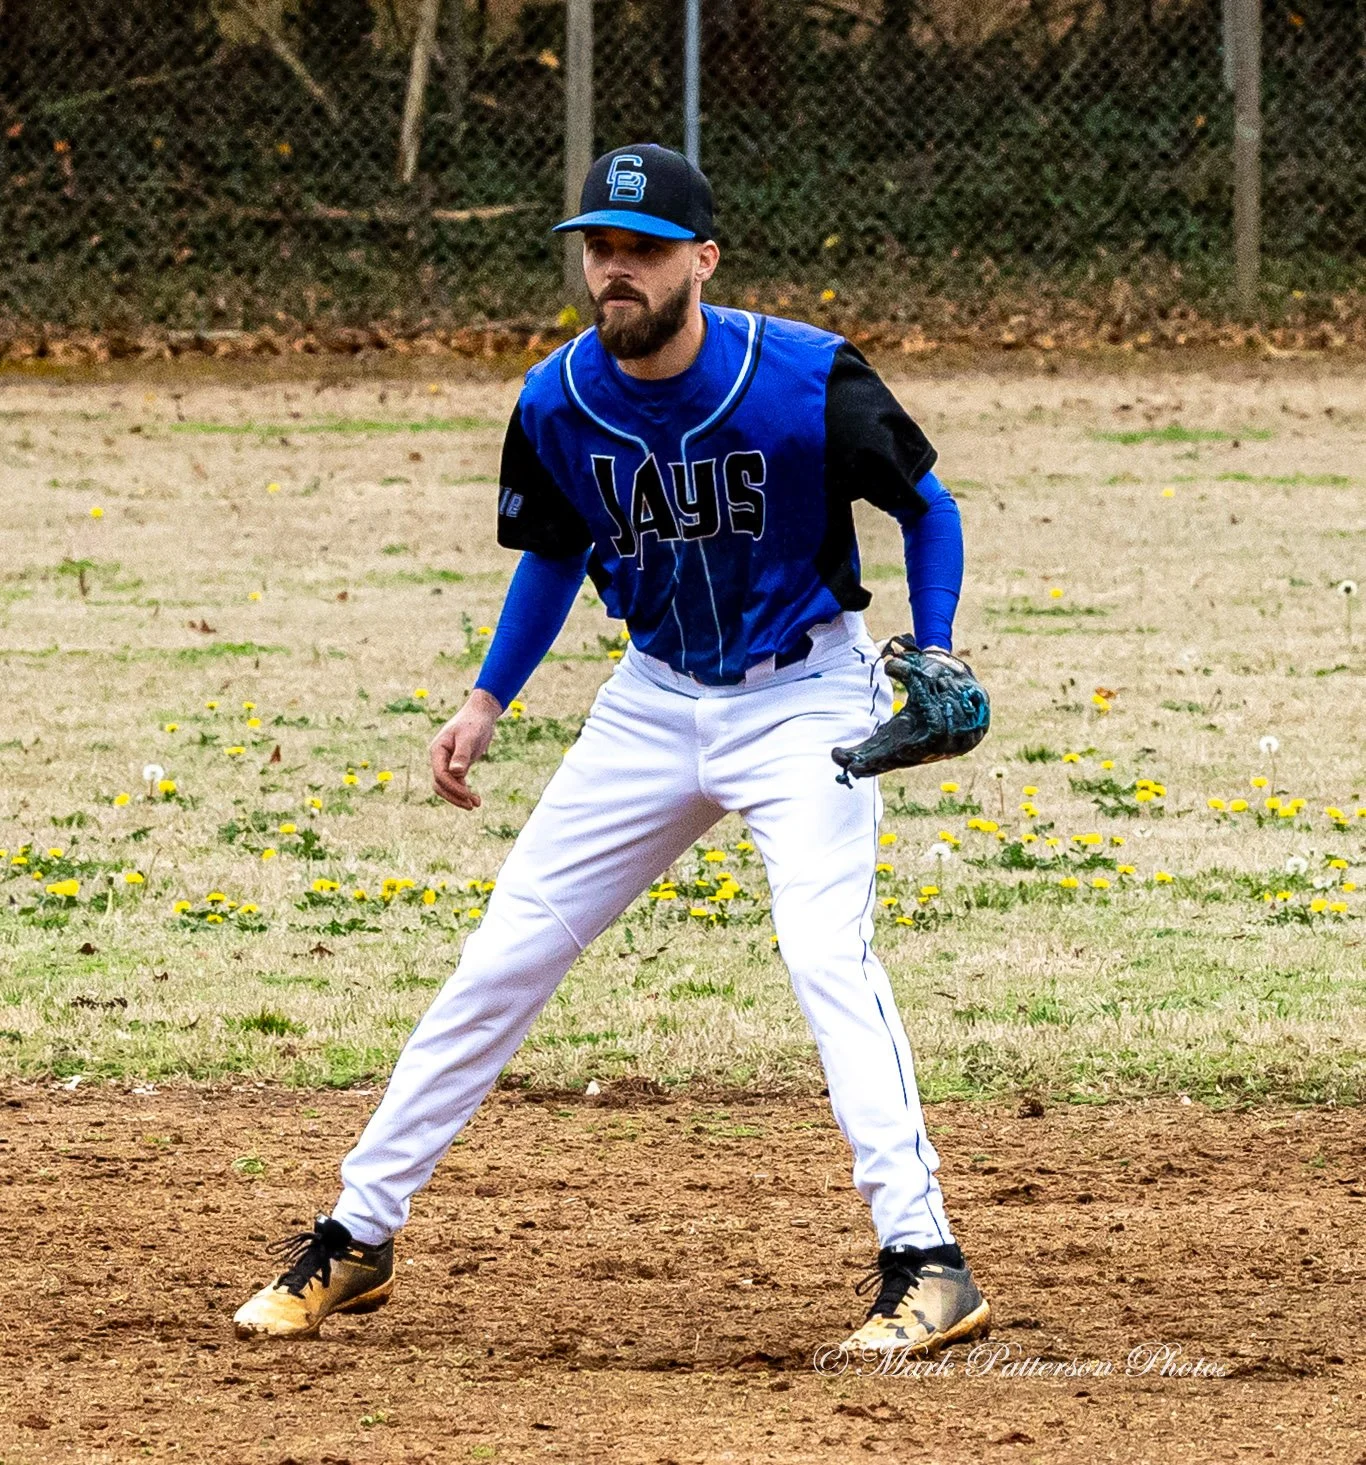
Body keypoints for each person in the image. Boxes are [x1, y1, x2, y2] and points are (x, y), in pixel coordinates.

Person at [234, 143, 991, 1356]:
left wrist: (937, 646)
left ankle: (927, 1259)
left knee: (825, 955)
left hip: (803, 697)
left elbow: (925, 504)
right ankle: (356, 1235)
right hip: (646, 703)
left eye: (640, 250)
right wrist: (487, 699)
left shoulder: (801, 378)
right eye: (598, 248)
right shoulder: (554, 399)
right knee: (501, 957)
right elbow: (555, 551)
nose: (613, 271)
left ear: (702, 259)